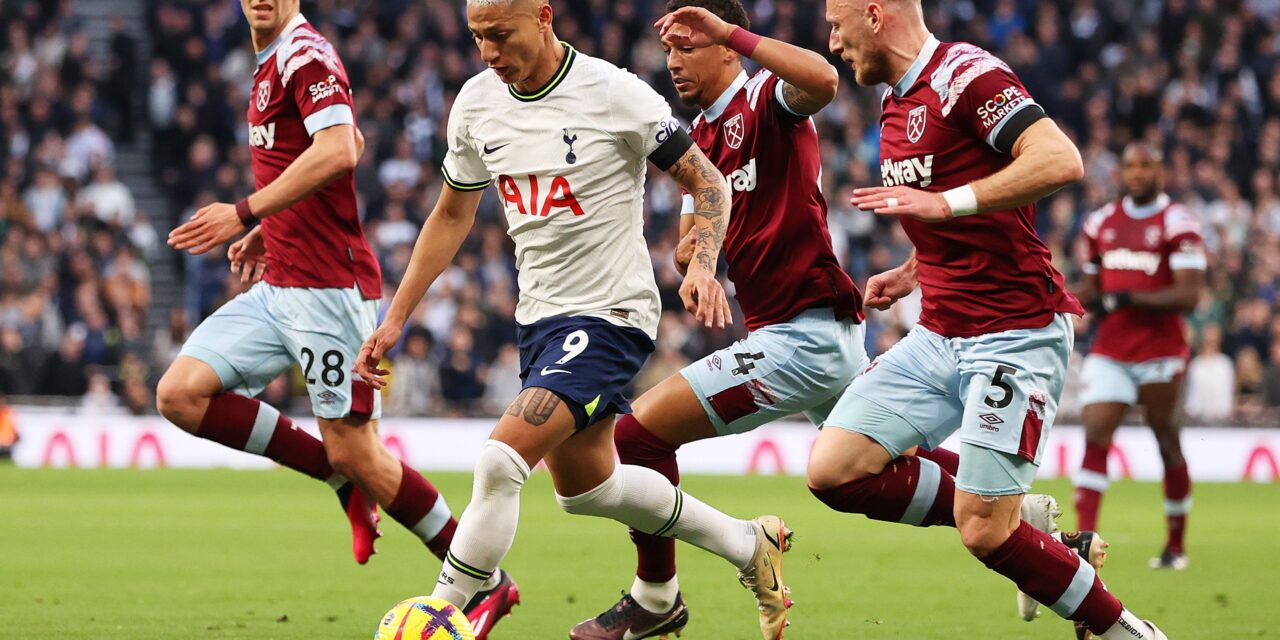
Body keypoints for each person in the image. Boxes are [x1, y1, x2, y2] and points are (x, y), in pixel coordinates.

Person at [356, 2, 790, 638]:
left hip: (611, 314)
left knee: (501, 462)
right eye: (477, 38)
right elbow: (452, 215)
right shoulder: (476, 104)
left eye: (499, 35)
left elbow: (709, 182)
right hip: (540, 320)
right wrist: (396, 318)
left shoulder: (614, 93)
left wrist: (702, 261)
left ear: (541, 17)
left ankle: (438, 613)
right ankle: (747, 544)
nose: (486, 52)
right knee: (588, 488)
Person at [154, 2, 518, 636]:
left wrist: (244, 212)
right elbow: (349, 137)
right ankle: (335, 476)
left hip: (329, 290)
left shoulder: (307, 54)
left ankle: (486, 582)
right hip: (282, 282)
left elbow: (339, 154)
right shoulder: (270, 58)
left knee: (361, 452)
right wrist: (274, 225)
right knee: (180, 394)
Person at [820, 1, 1169, 638]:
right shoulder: (895, 101)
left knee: (982, 530)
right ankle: (1023, 514)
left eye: (837, 25)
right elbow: (950, 208)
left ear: (874, 14)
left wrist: (943, 205)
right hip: (939, 333)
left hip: (1016, 332)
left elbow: (1060, 160)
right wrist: (914, 268)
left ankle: (1131, 633)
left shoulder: (966, 74)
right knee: (833, 469)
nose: (832, 42)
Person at [570, 2, 884, 637]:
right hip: (797, 333)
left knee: (635, 438)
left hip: (805, 332)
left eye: (690, 47)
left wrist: (732, 30)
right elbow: (693, 230)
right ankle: (1040, 530)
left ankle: (657, 597)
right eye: (671, 52)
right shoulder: (701, 139)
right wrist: (694, 260)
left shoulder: (767, 95)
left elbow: (824, 81)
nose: (676, 63)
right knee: (885, 478)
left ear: (726, 47)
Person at [1074, 143, 1205, 572]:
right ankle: (1084, 546)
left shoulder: (1178, 223)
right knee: (1095, 434)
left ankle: (1176, 545)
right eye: (1129, 166)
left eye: (1145, 166)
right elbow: (1094, 289)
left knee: (1166, 439)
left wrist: (1127, 297)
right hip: (1111, 349)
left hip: (1160, 351)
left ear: (1160, 170)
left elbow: (1189, 294)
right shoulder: (1100, 223)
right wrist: (1063, 300)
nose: (1136, 173)